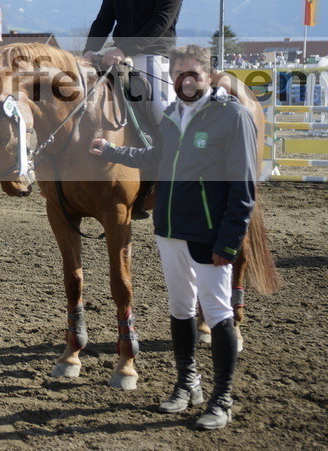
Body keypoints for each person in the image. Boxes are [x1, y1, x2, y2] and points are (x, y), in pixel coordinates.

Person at [89, 44, 257, 431]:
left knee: (217, 314)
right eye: (178, 74)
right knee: (180, 309)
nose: (184, 80)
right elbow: (156, 159)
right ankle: (187, 385)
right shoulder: (170, 116)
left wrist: (229, 242)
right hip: (169, 229)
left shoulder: (232, 116)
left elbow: (243, 187)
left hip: (210, 233)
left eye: (192, 73)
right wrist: (112, 149)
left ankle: (222, 400)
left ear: (209, 76)